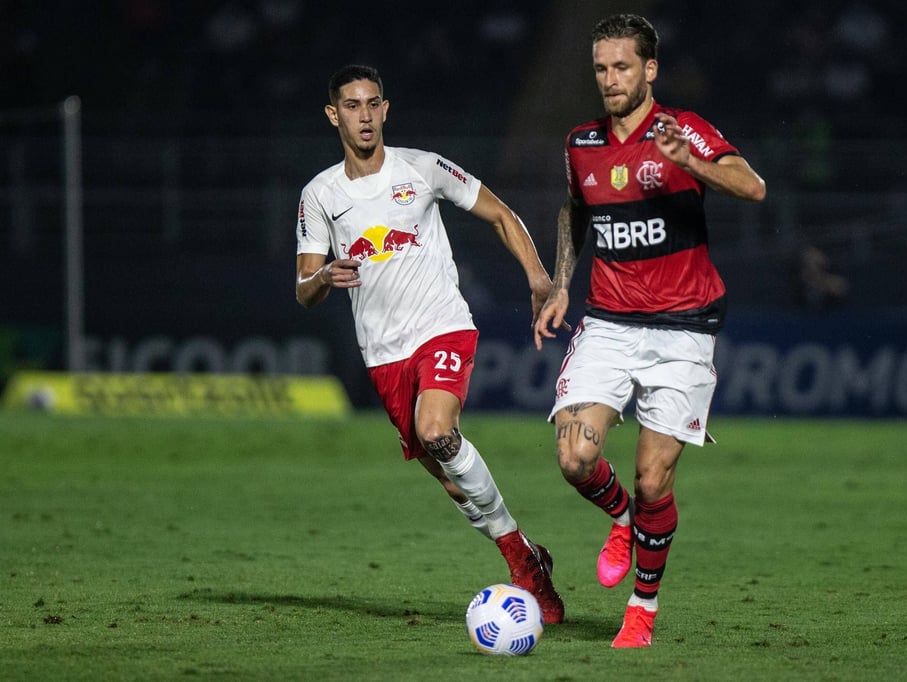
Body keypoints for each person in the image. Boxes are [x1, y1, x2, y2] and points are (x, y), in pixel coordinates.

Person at [295, 64, 564, 624]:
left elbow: (499, 213)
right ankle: (525, 555)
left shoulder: (422, 168)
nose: (364, 115)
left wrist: (538, 276)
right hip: (383, 355)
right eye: (352, 105)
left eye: (373, 104)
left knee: (438, 430)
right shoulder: (319, 194)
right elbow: (303, 289)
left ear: (385, 109)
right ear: (333, 114)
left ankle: (521, 568)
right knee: (449, 476)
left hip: (442, 326)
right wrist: (322, 279)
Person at [533, 14, 766, 647]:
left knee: (653, 481)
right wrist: (561, 285)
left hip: (684, 331)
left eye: (622, 67)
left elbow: (753, 185)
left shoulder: (682, 130)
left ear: (649, 70)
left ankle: (642, 610)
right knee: (576, 458)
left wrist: (690, 160)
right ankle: (621, 520)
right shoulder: (581, 143)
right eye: (602, 69)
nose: (610, 80)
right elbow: (575, 208)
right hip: (609, 321)